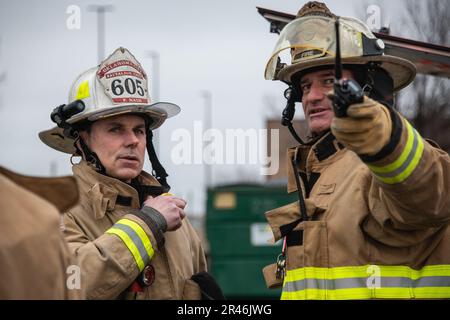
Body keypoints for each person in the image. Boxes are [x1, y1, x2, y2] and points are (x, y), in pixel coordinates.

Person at [262, 2, 450, 299]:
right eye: (306, 86)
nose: (312, 97)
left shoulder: (381, 166)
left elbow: (429, 191)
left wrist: (384, 139)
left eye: (328, 81)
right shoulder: (320, 175)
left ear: (368, 89)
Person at [39, 47, 223, 300]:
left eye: (139, 130)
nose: (133, 141)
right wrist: (149, 223)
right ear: (82, 141)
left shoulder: (176, 219)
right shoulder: (58, 212)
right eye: (116, 129)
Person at [0, 166, 82, 299]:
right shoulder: (55, 216)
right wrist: (128, 229)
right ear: (81, 147)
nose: (129, 143)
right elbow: (79, 279)